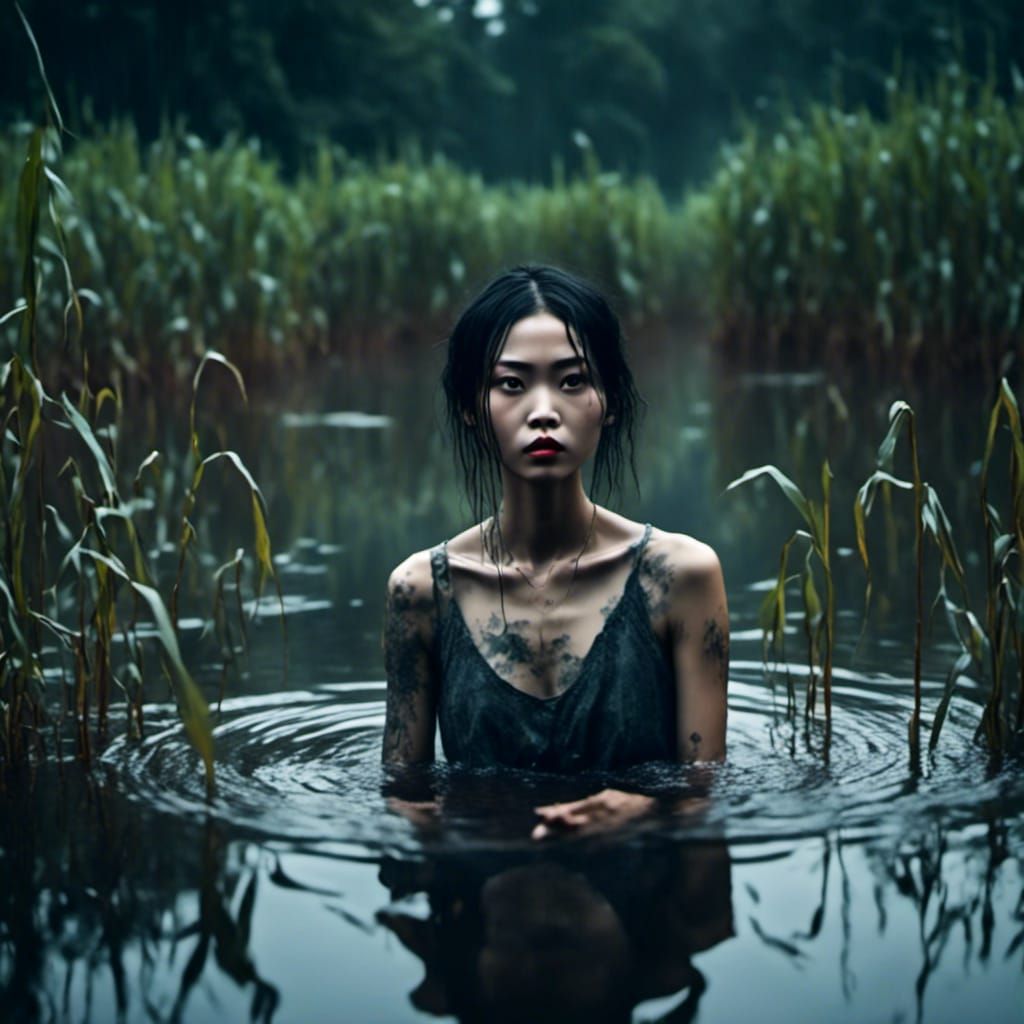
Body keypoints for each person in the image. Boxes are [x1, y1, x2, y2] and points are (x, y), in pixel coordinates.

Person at [382, 265, 728, 838]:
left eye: (572, 381)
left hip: (633, 893)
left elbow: (705, 793)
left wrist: (646, 811)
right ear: (472, 406)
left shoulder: (678, 578)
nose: (544, 410)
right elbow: (402, 799)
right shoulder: (422, 593)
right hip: (484, 897)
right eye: (512, 384)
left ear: (609, 400)